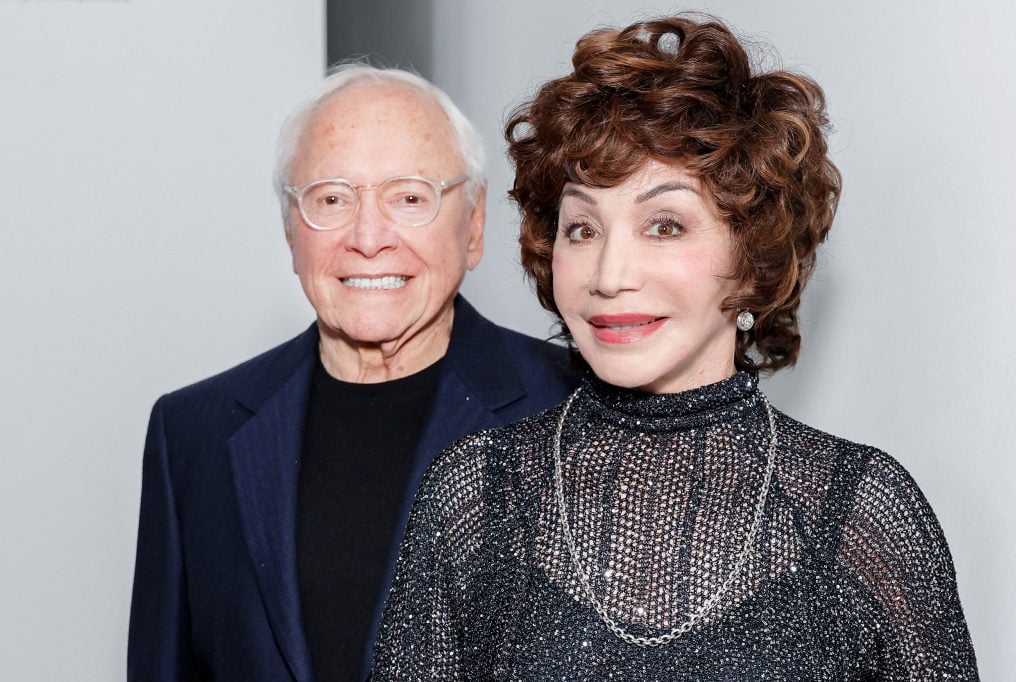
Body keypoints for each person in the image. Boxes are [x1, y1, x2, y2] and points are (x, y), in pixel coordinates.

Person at [371, 16, 978, 680]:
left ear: (753, 256)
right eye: (582, 228)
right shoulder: (479, 495)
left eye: (665, 225)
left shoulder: (858, 511)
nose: (608, 275)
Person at [127, 65, 576, 681]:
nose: (368, 238)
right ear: (290, 231)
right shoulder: (192, 434)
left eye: (410, 197)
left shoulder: (579, 409)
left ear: (473, 227)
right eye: (331, 199)